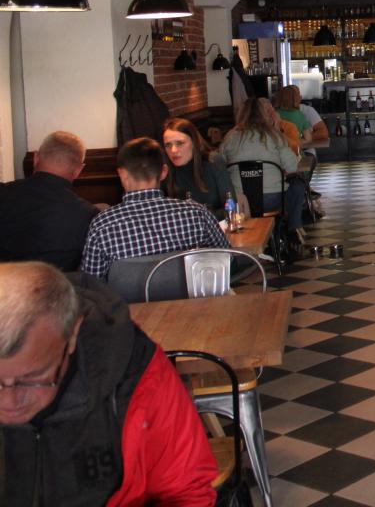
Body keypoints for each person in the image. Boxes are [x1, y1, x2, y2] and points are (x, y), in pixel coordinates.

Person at [0, 261, 217, 504]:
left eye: (32, 378)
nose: (9, 403)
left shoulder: (137, 372)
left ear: (72, 333)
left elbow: (186, 492)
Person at [80, 138, 229, 280]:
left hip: (128, 299)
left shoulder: (102, 225)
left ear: (122, 174)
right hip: (193, 298)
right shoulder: (197, 213)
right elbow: (227, 260)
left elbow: (91, 282)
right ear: (164, 172)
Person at [0, 131, 100, 271]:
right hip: (55, 283)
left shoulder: (3, 193)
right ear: (79, 170)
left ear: (35, 158)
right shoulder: (88, 214)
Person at [220, 97, 305, 234]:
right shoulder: (274, 135)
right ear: (264, 114)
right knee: (298, 185)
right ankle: (293, 229)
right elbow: (292, 167)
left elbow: (220, 166)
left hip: (240, 200)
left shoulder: (230, 137)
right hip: (271, 199)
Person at [161, 118, 236, 214]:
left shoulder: (212, 161)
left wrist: (199, 217)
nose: (173, 150)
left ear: (194, 142)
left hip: (216, 222)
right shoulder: (165, 170)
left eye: (180, 143)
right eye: (168, 145)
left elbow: (230, 207)